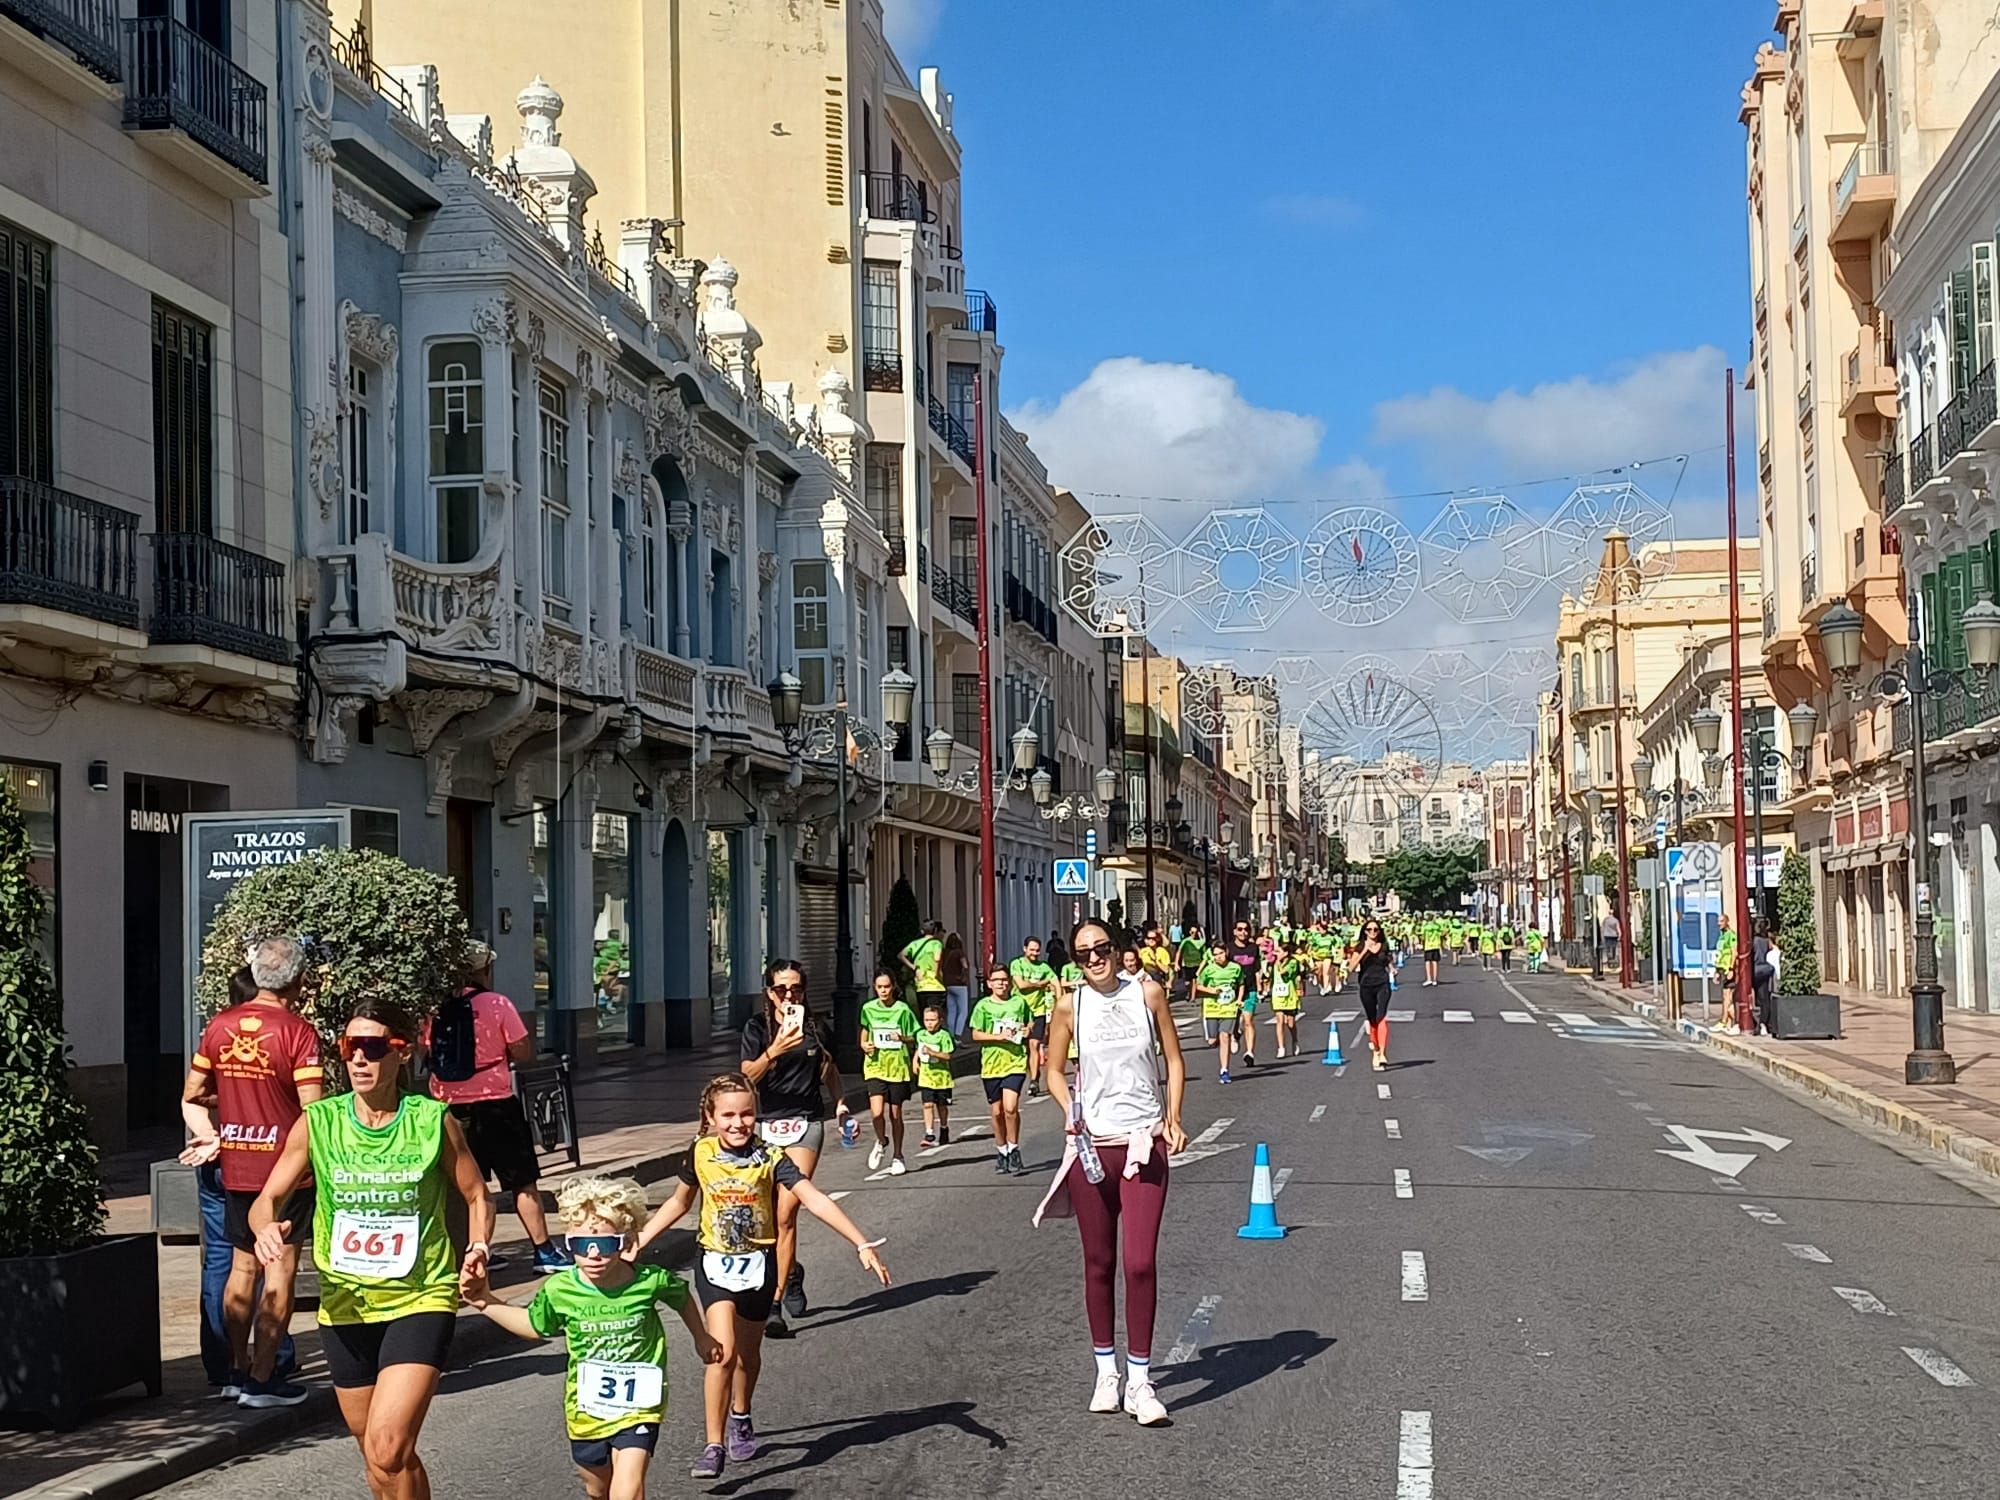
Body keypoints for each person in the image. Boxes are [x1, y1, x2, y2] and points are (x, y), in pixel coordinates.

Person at [251, 998, 495, 1500]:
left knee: (388, 1446)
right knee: (380, 1463)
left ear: (402, 1052)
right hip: (346, 1304)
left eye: (372, 1047)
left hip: (420, 1296)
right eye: (349, 1047)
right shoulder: (318, 1122)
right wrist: (265, 1228)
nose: (359, 1059)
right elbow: (266, 1198)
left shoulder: (431, 1120)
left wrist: (477, 1247)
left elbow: (477, 1195)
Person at [633, 1074, 890, 1479]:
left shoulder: (772, 1157)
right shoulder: (699, 1152)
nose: (738, 1123)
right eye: (728, 1115)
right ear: (710, 1117)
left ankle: (741, 1414)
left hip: (759, 1266)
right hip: (714, 1263)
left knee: (748, 1356)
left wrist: (861, 1242)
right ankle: (713, 1445)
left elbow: (813, 1199)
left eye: (747, 1114)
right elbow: (678, 1203)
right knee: (722, 1353)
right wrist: (639, 1241)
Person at [463, 1176, 719, 1500]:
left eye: (605, 1245)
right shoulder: (560, 1290)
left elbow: (680, 1296)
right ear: (569, 1243)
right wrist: (485, 1301)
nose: (594, 1255)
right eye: (583, 1245)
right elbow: (533, 1325)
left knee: (627, 1488)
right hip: (586, 1411)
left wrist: (701, 1337)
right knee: (597, 1489)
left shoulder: (650, 1281)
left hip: (639, 1406)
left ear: (626, 1242)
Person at [1038, 917, 1189, 1428]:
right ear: (1075, 961)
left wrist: (1173, 1117)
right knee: (1099, 1262)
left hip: (1143, 1143)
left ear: (1115, 947)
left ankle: (1141, 1382)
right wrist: (1069, 1108)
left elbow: (1173, 1059)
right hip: (1092, 1148)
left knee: (1139, 1262)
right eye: (1083, 953)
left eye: (1101, 948)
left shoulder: (1147, 994)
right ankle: (1107, 1371)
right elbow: (1053, 1069)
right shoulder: (1070, 1006)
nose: (1094, 959)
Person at [181, 942, 322, 1406]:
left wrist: (233, 1101)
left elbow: (194, 1092)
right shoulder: (299, 1032)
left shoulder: (219, 1026)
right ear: (297, 981)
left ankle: (236, 1371)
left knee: (242, 1268)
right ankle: (264, 1380)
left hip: (237, 1163)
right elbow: (313, 1111)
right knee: (279, 1269)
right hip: (285, 1170)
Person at [422, 942, 571, 1274]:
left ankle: (472, 1254)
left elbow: (426, 1050)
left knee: (465, 1187)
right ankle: (544, 1252)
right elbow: (523, 1052)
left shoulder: (436, 1008)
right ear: (485, 970)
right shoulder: (497, 1003)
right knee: (522, 1181)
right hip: (496, 1104)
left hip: (449, 1110)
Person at [739, 959, 848, 1338]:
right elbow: (746, 1077)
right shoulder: (757, 1028)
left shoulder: (816, 1027)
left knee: (786, 1212)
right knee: (768, 1214)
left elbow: (829, 1069)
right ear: (769, 992)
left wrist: (840, 1103)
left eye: (796, 988)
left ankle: (774, 1303)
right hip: (766, 1124)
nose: (789, 995)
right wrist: (774, 1050)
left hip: (806, 1122)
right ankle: (792, 1270)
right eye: (781, 989)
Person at [970, 962, 1032, 1174]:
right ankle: (1002, 1150)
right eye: (996, 980)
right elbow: (975, 1034)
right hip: (992, 1064)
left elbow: (1029, 1023)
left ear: (1010, 982)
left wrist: (1027, 1030)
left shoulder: (1019, 1002)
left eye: (1004, 980)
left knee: (1010, 1107)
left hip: (1015, 1061)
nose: (1001, 984)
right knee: (997, 1112)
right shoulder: (983, 1006)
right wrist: (998, 1036)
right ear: (989, 983)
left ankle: (1014, 1148)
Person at [859, 969, 918, 1175]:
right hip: (875, 1065)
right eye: (879, 987)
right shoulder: (868, 1008)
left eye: (887, 987)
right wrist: (864, 1045)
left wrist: (902, 1038)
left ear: (893, 987)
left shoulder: (902, 1010)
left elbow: (915, 1035)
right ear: (875, 988)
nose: (883, 991)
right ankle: (882, 1140)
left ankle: (898, 1155)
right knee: (876, 1113)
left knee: (895, 1114)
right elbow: (865, 1032)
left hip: (897, 1066)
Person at [1008, 937, 1057, 1098]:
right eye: (1031, 950)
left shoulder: (1044, 967)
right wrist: (1040, 984)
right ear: (1025, 949)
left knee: (1034, 1045)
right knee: (1021, 1048)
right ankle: (1019, 1075)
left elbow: (1056, 983)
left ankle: (1034, 1081)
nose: (1035, 953)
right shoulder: (1017, 964)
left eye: (1037, 950)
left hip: (1038, 1012)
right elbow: (1021, 985)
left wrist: (1060, 1003)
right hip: (1019, 1011)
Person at [1193, 937, 1244, 1084]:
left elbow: (1241, 983)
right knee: (1212, 1040)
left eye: (1220, 953)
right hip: (1212, 1007)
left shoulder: (1235, 968)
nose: (1218, 957)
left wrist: (1239, 999)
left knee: (1224, 1036)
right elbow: (1198, 985)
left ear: (1226, 952)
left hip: (1229, 1007)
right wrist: (1211, 990)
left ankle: (1224, 1070)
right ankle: (1232, 1033)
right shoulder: (1208, 969)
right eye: (1215, 955)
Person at [914, 1000, 955, 1147]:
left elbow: (948, 1055)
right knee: (927, 1104)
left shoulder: (944, 1036)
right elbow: (918, 1049)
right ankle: (929, 1132)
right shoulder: (920, 1034)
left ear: (940, 1020)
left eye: (933, 1020)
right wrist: (915, 1060)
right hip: (926, 1077)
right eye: (926, 1020)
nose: (929, 1023)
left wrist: (933, 1053)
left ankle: (944, 1128)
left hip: (942, 1078)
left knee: (941, 1106)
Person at [1356, 917, 1395, 1070]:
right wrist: (1364, 950)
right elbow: (1352, 966)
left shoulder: (1383, 945)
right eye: (1369, 929)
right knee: (1372, 1020)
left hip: (1382, 983)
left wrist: (1392, 968)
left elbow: (1387, 960)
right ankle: (1376, 1050)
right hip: (1366, 985)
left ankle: (1383, 1053)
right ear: (1365, 932)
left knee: (1381, 1017)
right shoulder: (1360, 946)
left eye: (1375, 929)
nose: (1372, 932)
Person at [1225, 920, 1263, 1069]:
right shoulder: (1229, 949)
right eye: (1240, 929)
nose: (1243, 932)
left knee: (1248, 1020)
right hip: (1233, 990)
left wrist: (1259, 984)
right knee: (1235, 1019)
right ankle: (1235, 1034)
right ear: (1234, 931)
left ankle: (1249, 1052)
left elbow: (1257, 968)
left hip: (1250, 988)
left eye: (1246, 929)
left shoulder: (1254, 948)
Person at [897, 918, 948, 1023]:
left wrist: (914, 967)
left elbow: (901, 955)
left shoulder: (915, 944)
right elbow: (937, 958)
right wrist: (938, 974)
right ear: (935, 930)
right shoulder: (936, 943)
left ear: (922, 931)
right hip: (935, 986)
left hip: (920, 985)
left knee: (924, 1016)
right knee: (935, 1017)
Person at [940, 931, 972, 1039]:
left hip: (948, 984)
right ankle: (958, 1035)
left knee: (951, 1011)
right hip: (960, 984)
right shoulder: (959, 952)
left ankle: (951, 1035)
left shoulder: (945, 952)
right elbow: (965, 966)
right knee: (963, 1011)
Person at [1752, 918, 1778, 1035]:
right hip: (1765, 970)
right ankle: (1764, 1023)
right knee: (1764, 998)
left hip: (1755, 971)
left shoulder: (1754, 941)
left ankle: (1760, 1023)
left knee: (1758, 999)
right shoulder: (1766, 941)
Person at [1174, 924, 1206, 1002]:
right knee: (1187, 983)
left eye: (1195, 932)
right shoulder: (1185, 941)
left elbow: (1204, 954)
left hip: (1197, 964)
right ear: (1189, 932)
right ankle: (1190, 991)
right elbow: (1179, 951)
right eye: (1192, 932)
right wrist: (1176, 963)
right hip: (1186, 964)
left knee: (1194, 980)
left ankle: (1193, 998)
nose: (1193, 934)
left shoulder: (1201, 942)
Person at [1419, 912, 1444, 987]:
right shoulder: (1437, 926)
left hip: (1428, 946)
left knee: (1427, 962)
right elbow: (1443, 932)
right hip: (1436, 945)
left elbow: (1422, 936)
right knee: (1435, 962)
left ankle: (1429, 979)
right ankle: (1435, 980)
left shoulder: (1425, 926)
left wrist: (1421, 943)